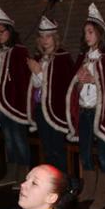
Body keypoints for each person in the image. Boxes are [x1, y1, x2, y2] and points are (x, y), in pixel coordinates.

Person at [66, 3, 105, 209]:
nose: (87, 36)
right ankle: (88, 189)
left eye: (90, 32)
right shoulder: (83, 57)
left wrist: (94, 80)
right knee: (85, 153)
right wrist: (79, 82)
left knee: (104, 155)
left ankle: (102, 194)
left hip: (101, 112)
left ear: (99, 33)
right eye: (85, 32)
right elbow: (75, 87)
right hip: (84, 111)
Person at [0, 6, 31, 188]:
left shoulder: (19, 51)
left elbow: (20, 78)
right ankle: (12, 173)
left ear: (10, 31)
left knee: (19, 140)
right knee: (9, 141)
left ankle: (25, 175)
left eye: (2, 32)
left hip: (14, 103)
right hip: (0, 103)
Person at [27, 16, 72, 174]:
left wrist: (39, 72)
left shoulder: (62, 57)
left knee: (57, 149)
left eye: (48, 36)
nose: (45, 40)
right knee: (47, 149)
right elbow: (36, 85)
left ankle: (62, 181)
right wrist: (36, 73)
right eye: (42, 36)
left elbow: (60, 86)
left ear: (55, 38)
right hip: (41, 108)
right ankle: (50, 181)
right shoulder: (39, 58)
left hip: (55, 109)